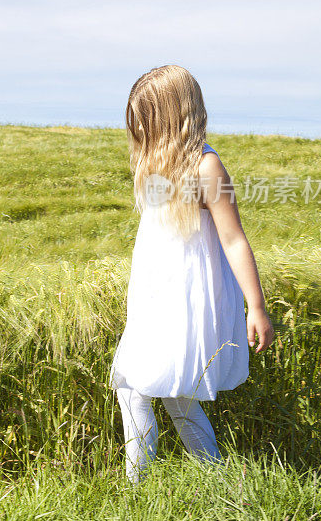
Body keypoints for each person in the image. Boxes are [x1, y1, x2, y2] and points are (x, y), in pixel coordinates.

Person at [108, 64, 275, 484]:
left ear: (170, 116)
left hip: (186, 299)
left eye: (147, 118)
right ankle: (217, 480)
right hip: (156, 295)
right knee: (174, 398)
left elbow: (234, 238)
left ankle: (136, 489)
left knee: (132, 386)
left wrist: (255, 306)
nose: (140, 128)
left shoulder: (207, 168)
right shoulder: (157, 163)